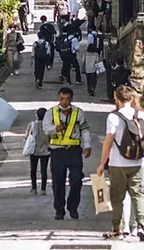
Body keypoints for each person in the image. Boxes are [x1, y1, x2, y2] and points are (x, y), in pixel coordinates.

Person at [96, 85, 144, 242]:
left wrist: (102, 163)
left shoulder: (113, 117)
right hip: (139, 161)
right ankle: (142, 226)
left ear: (117, 99)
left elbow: (108, 142)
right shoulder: (142, 115)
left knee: (118, 197)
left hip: (118, 162)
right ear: (132, 99)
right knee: (139, 194)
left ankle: (117, 229)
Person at [43, 86, 93, 220]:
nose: (64, 102)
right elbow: (46, 128)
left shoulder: (78, 113)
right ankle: (59, 209)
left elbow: (85, 129)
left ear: (71, 99)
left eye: (67, 99)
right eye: (62, 99)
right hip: (57, 152)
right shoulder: (51, 112)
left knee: (76, 179)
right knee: (57, 182)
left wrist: (87, 145)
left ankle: (73, 207)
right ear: (58, 98)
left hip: (74, 152)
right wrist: (55, 128)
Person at [24, 108, 51, 195]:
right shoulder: (48, 125)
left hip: (34, 151)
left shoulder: (32, 125)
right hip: (46, 151)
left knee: (33, 170)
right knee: (44, 170)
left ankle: (34, 188)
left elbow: (26, 136)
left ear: (37, 115)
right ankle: (43, 189)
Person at [82, 25, 105, 96]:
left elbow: (83, 61)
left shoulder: (85, 54)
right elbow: (97, 62)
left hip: (87, 70)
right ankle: (92, 89)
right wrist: (100, 70)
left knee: (88, 81)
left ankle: (89, 89)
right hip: (93, 70)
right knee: (94, 81)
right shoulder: (95, 54)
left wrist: (83, 68)